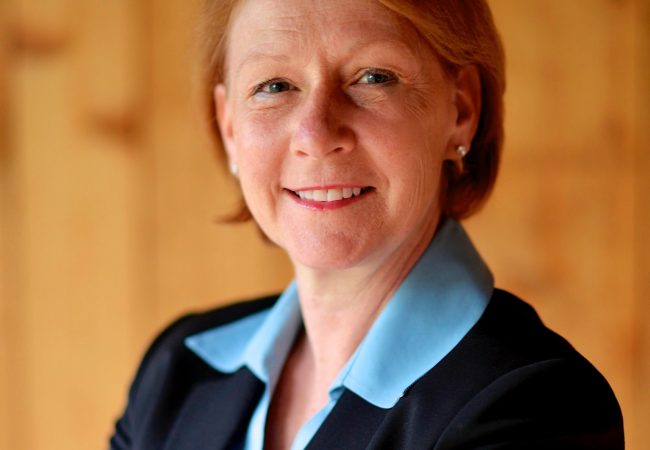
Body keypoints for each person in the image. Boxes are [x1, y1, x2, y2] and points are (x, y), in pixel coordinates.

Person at [110, 0, 624, 448]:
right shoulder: (174, 373)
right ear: (230, 128)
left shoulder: (538, 407)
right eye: (274, 86)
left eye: (374, 77)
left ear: (461, 110)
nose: (316, 134)